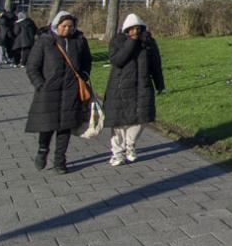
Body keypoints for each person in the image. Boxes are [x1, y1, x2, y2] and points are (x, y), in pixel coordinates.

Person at [24, 11, 92, 174]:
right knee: (47, 125)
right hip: (49, 91)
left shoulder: (79, 41)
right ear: (56, 25)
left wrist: (83, 76)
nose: (67, 29)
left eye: (70, 26)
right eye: (64, 26)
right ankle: (42, 150)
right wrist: (40, 84)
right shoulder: (45, 41)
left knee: (65, 127)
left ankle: (60, 160)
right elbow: (32, 66)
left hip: (71, 90)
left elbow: (86, 61)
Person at [104, 14, 165, 166]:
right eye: (131, 29)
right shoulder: (118, 41)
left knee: (141, 119)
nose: (135, 32)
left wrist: (159, 83)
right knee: (117, 122)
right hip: (119, 86)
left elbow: (155, 64)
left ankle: (129, 145)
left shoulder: (148, 43)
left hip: (142, 86)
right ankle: (117, 153)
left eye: (138, 29)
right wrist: (131, 42)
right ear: (126, 29)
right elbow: (117, 60)